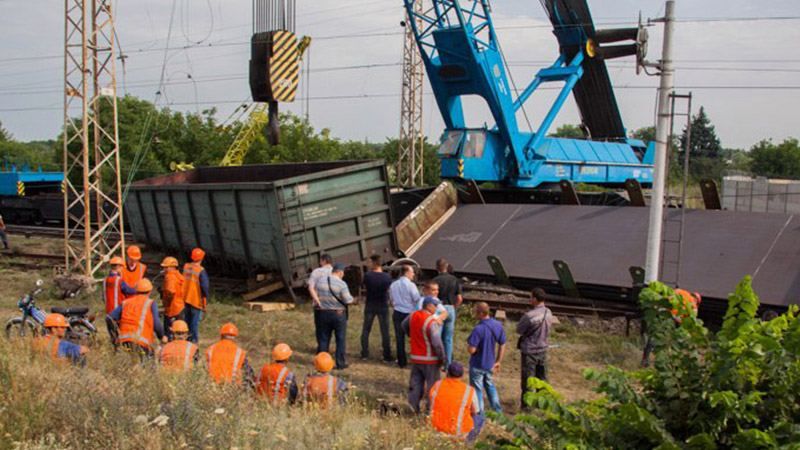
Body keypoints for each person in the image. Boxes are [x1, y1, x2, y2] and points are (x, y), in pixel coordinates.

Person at [403, 296, 445, 414]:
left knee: (415, 384)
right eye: (435, 305)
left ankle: (413, 408)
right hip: (430, 359)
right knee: (433, 386)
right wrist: (442, 358)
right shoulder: (431, 322)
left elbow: (403, 325)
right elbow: (437, 343)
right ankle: (430, 410)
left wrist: (412, 335)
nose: (436, 308)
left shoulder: (413, 315)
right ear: (429, 306)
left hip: (416, 357)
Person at [107, 278, 165, 357]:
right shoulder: (151, 303)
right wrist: (162, 336)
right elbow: (156, 323)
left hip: (123, 342)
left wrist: (114, 336)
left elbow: (109, 318)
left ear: (135, 291)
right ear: (150, 291)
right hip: (141, 343)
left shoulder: (125, 302)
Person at [516, 288, 553, 410]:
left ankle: (526, 407)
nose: (530, 299)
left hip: (529, 351)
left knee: (528, 380)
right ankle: (542, 405)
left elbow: (519, 330)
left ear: (535, 299)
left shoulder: (529, 316)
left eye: (531, 297)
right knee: (542, 380)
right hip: (543, 349)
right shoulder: (548, 312)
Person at [429, 362, 484, 443]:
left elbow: (432, 401)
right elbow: (475, 411)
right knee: (480, 417)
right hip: (458, 433)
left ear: (447, 373)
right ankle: (468, 442)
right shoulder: (469, 390)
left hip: (435, 430)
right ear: (462, 375)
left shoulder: (437, 384)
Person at [467, 302, 507, 412]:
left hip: (477, 364)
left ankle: (479, 413)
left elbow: (471, 350)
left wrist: (471, 349)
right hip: (490, 364)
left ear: (481, 313)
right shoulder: (497, 325)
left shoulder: (478, 329)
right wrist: (498, 361)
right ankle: (497, 411)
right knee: (490, 386)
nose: (474, 313)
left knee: (477, 390)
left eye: (476, 311)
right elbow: (503, 343)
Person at [315, 262, 355, 370]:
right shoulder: (342, 284)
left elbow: (316, 295)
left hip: (323, 313)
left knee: (323, 339)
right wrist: (353, 299)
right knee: (340, 339)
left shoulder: (320, 281)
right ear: (339, 272)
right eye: (343, 273)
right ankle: (340, 363)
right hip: (338, 314)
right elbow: (348, 300)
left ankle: (321, 363)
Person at [360, 254, 393, 362]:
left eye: (370, 262)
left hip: (370, 304)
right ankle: (387, 355)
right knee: (385, 331)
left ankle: (364, 353)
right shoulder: (387, 277)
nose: (369, 264)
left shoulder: (368, 276)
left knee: (366, 329)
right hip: (383, 305)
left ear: (374, 263)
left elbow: (364, 285)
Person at [389, 265, 421, 368]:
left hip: (397, 312)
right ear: (406, 272)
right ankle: (416, 358)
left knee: (399, 338)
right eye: (412, 272)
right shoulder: (411, 285)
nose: (413, 274)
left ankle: (401, 361)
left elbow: (391, 299)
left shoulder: (393, 284)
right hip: (409, 313)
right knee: (414, 338)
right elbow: (417, 299)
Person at [433, 258, 463, 367]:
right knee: (448, 339)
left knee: (438, 337)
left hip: (439, 309)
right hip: (450, 308)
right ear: (447, 266)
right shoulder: (454, 279)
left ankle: (439, 361)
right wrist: (454, 307)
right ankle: (448, 364)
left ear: (437, 268)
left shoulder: (435, 280)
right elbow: (459, 298)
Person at [182, 247, 209, 343]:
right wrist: (206, 297)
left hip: (185, 298)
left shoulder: (186, 266)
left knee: (187, 320)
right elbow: (205, 286)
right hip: (195, 299)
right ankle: (193, 341)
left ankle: (185, 339)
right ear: (202, 258)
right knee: (194, 322)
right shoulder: (200, 270)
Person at [308, 254, 333, 349]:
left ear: (323, 261)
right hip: (332, 304)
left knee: (320, 328)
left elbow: (311, 287)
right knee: (329, 327)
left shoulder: (316, 272)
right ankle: (327, 346)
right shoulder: (335, 272)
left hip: (319, 305)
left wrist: (317, 300)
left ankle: (322, 348)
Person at [160, 256, 185, 340]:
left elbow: (171, 291)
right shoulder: (179, 276)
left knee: (169, 332)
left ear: (172, 267)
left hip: (172, 308)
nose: (164, 269)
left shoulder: (170, 277)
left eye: (166, 267)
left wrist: (166, 302)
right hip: (180, 307)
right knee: (179, 329)